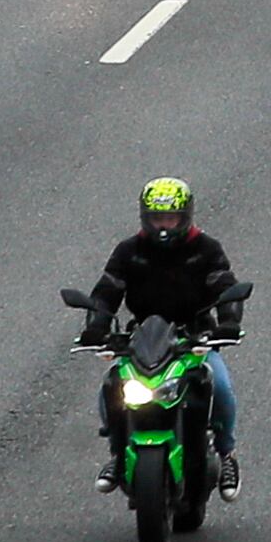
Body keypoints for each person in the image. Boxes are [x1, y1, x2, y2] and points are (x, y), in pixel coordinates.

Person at [84, 176, 242, 495]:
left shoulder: (206, 249)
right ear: (146, 217)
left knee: (220, 387)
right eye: (158, 218)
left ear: (185, 217)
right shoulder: (129, 251)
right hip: (144, 340)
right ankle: (118, 453)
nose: (164, 226)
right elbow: (106, 292)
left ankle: (226, 454)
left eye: (170, 218)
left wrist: (228, 323)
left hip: (193, 339)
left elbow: (226, 287)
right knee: (112, 387)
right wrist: (96, 329)